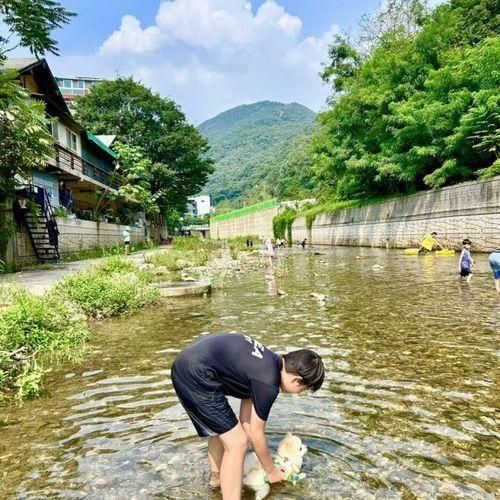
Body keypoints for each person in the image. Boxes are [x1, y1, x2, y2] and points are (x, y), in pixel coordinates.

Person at [171, 333, 325, 500]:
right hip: (195, 373)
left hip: (189, 364)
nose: (299, 393)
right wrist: (271, 471)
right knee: (237, 443)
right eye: (303, 389)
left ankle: (216, 481)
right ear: (297, 380)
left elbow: (247, 423)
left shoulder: (266, 363)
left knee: (226, 431)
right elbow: (255, 433)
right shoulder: (268, 382)